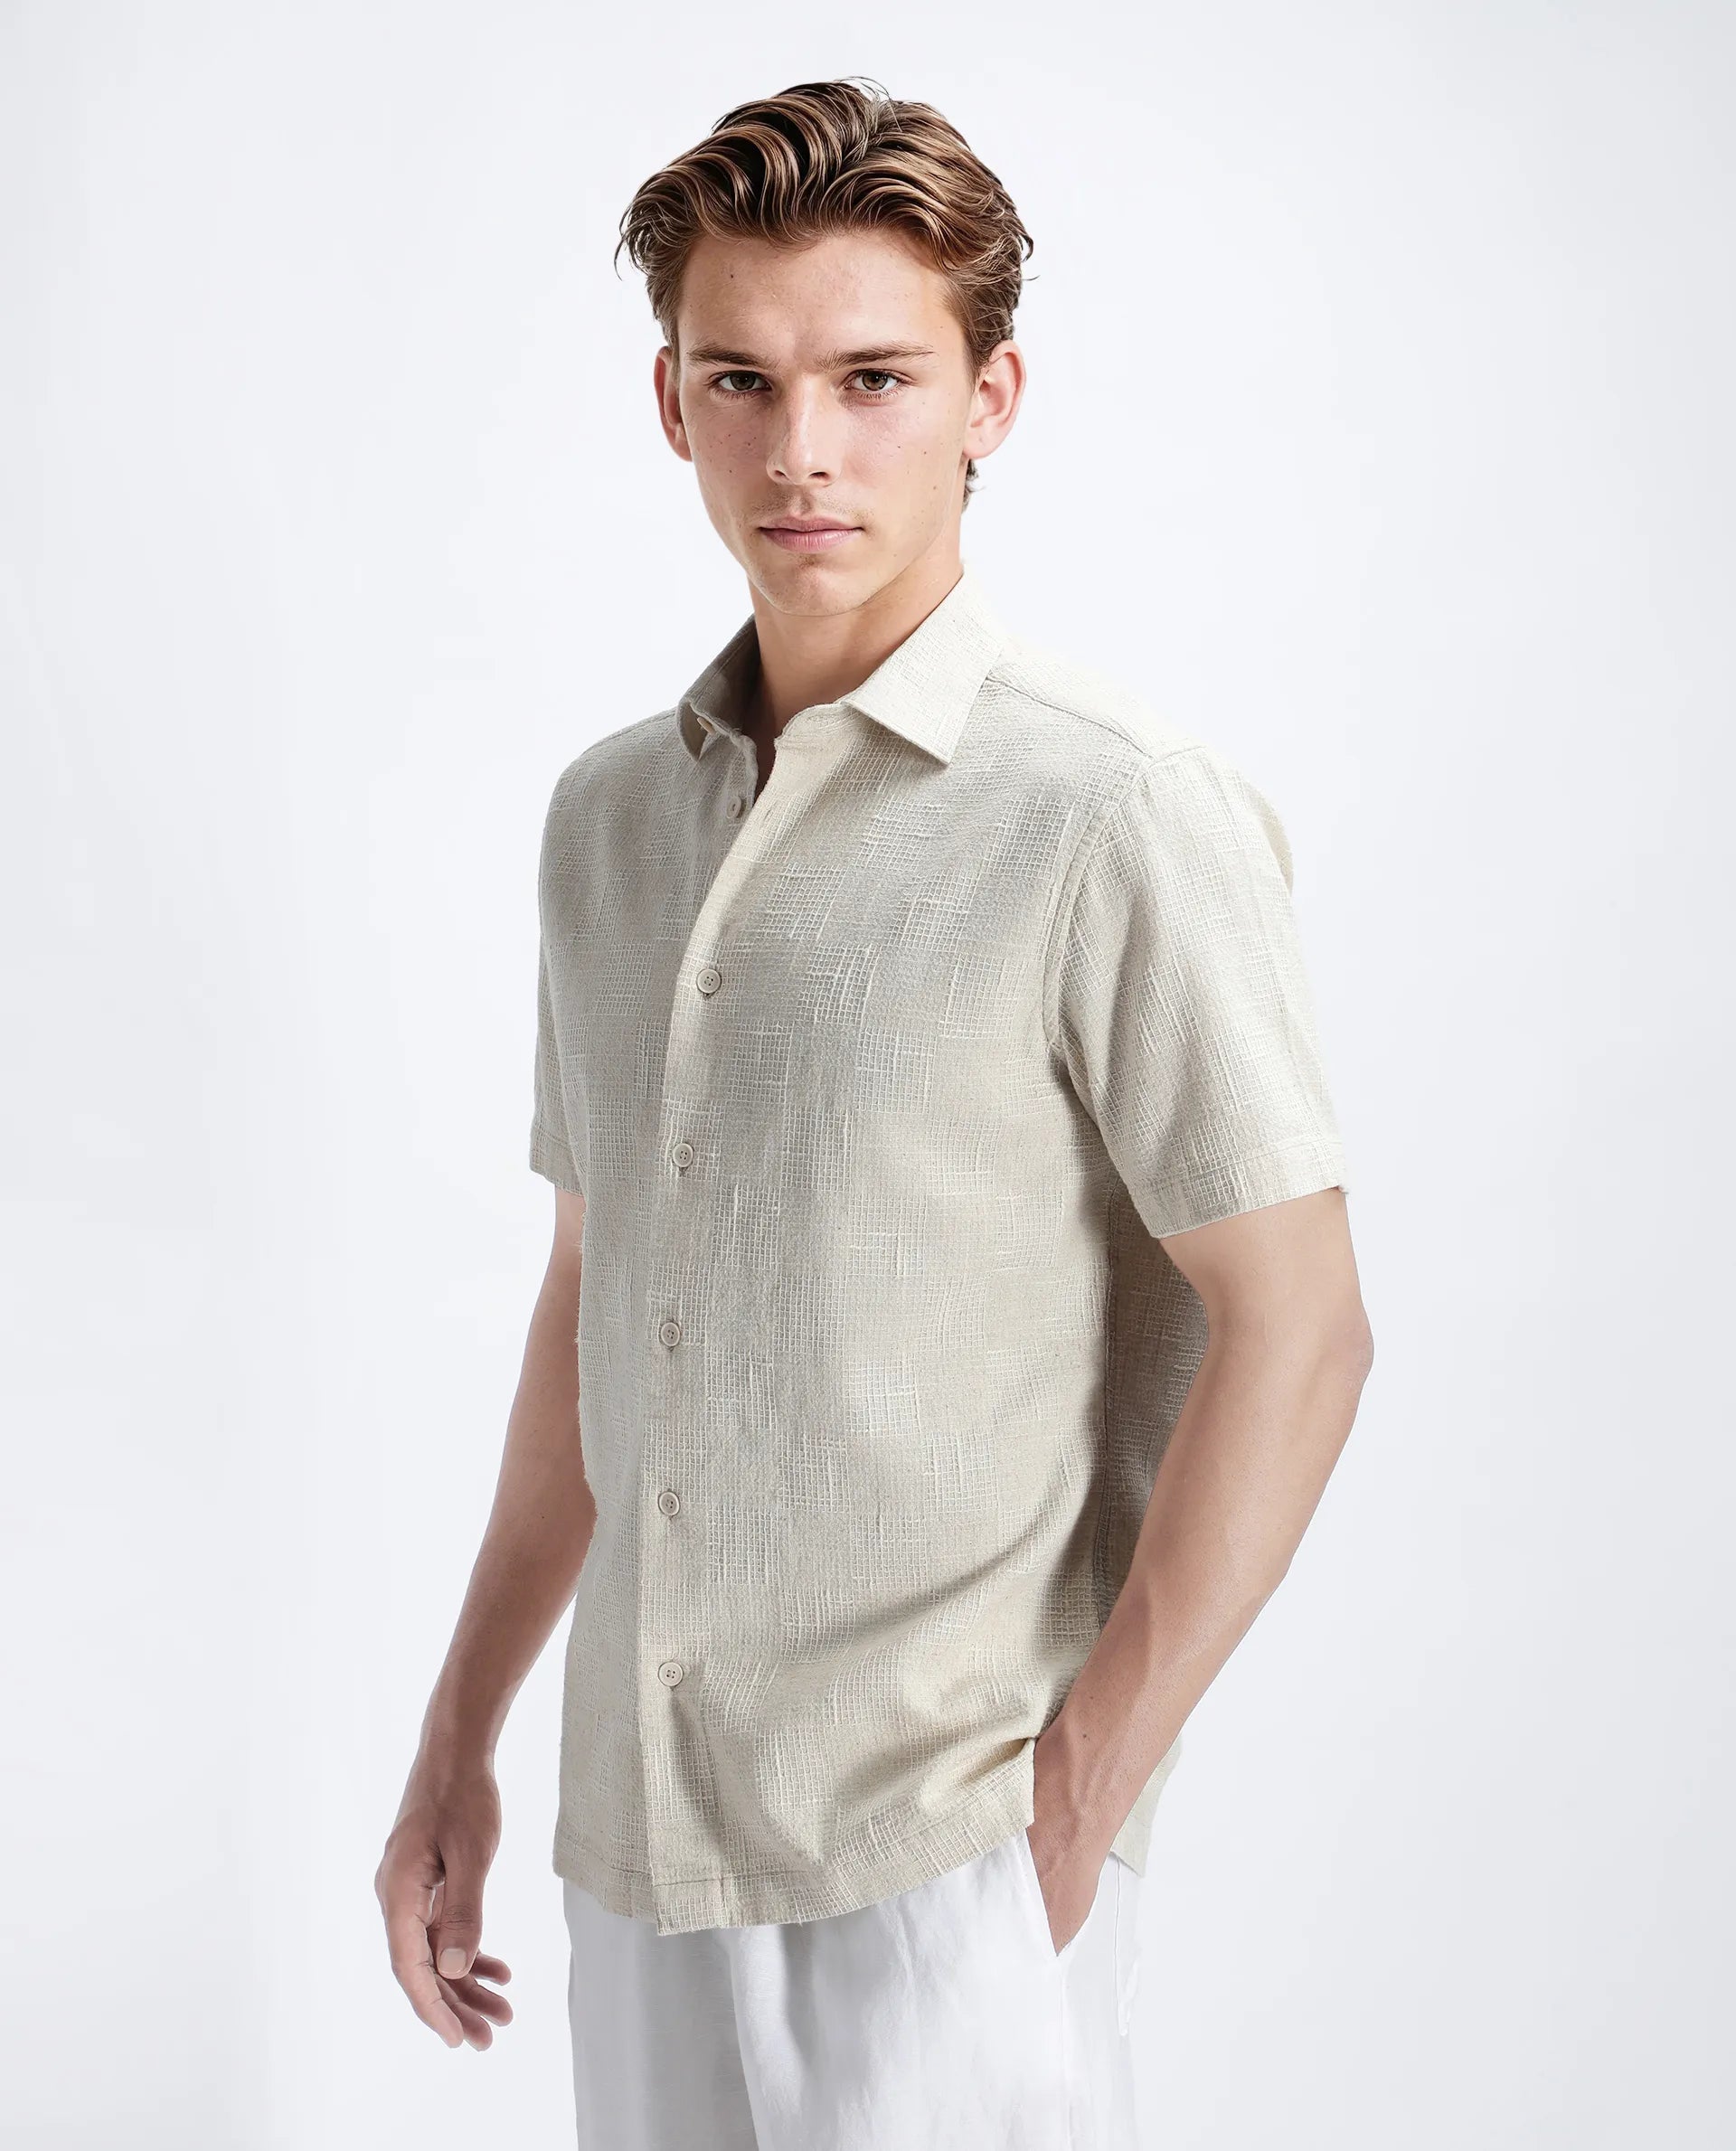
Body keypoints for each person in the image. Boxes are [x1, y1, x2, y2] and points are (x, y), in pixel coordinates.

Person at [374, 74, 1373, 2150]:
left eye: (872, 379)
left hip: (946, 1860)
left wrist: (1080, 1795)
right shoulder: (605, 824)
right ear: (670, 404)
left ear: (991, 396)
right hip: (640, 1845)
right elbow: (593, 1297)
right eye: (738, 379)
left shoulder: (1112, 813)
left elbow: (1302, 1324)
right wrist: (461, 1729)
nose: (800, 449)